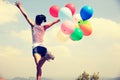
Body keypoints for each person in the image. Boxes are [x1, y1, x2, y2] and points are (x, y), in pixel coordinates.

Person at [15, 1, 60, 80]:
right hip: (43, 48)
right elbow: (52, 23)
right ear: (42, 21)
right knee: (39, 67)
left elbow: (26, 16)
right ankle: (46, 57)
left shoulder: (33, 25)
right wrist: (58, 20)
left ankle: (46, 57)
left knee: (38, 66)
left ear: (35, 20)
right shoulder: (44, 27)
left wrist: (20, 7)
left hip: (36, 48)